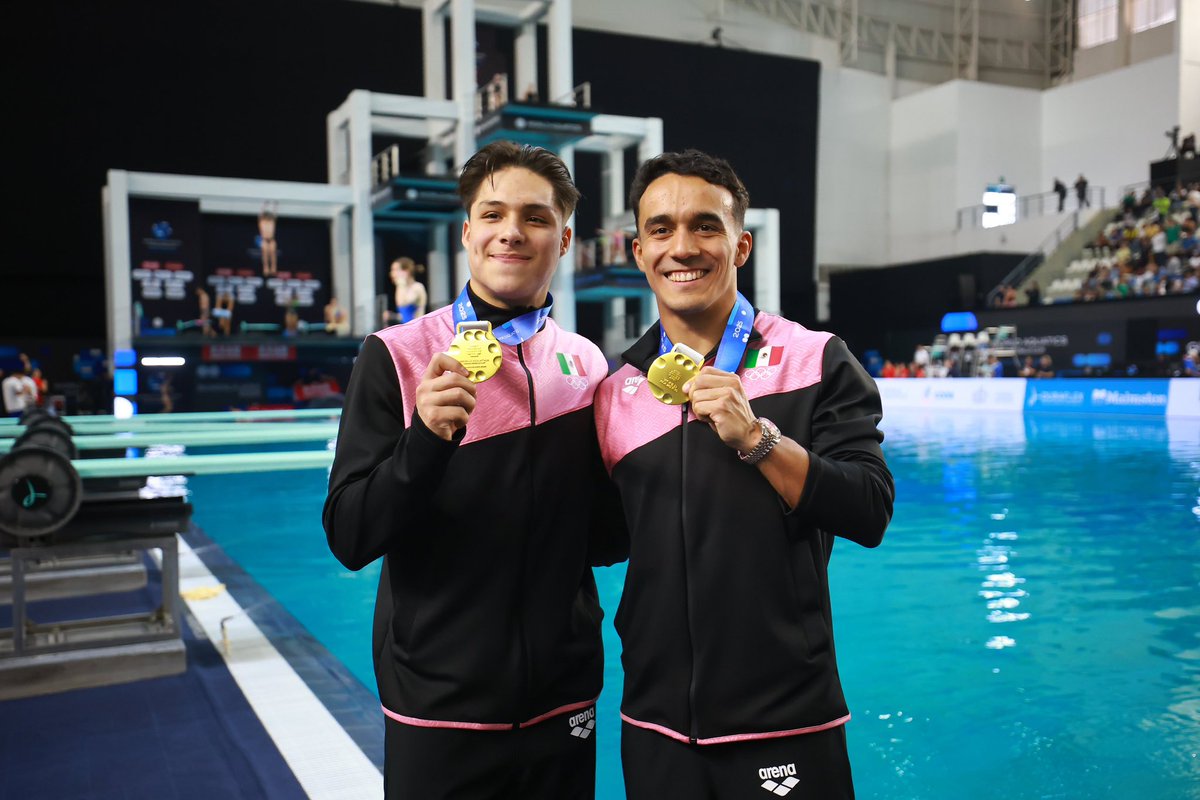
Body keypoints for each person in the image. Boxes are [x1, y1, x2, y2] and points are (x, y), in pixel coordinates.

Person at [323, 140, 624, 799]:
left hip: (563, 697)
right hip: (438, 703)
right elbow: (350, 534)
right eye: (492, 215)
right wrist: (426, 439)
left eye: (536, 217)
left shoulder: (586, 366)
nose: (511, 232)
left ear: (565, 239)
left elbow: (604, 541)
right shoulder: (397, 356)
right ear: (468, 233)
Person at [593, 150, 895, 799]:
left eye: (706, 226)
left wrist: (757, 438)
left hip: (784, 722)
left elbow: (869, 509)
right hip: (654, 724)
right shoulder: (614, 392)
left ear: (741, 244)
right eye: (662, 229)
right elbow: (601, 539)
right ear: (639, 250)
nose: (684, 246)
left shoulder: (816, 361)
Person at [389, 257, 428, 323]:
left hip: (415, 328)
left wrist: (401, 284)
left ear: (406, 271)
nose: (393, 273)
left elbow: (403, 303)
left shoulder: (417, 287)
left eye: (396, 270)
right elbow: (403, 314)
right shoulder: (402, 288)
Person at [258, 202, 278, 276]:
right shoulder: (261, 222)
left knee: (273, 255)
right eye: (266, 216)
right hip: (264, 240)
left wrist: (275, 206)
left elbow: (274, 214)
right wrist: (264, 205)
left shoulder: (272, 222)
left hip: (272, 239)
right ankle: (265, 268)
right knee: (265, 255)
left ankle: (273, 268)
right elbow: (260, 214)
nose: (267, 217)